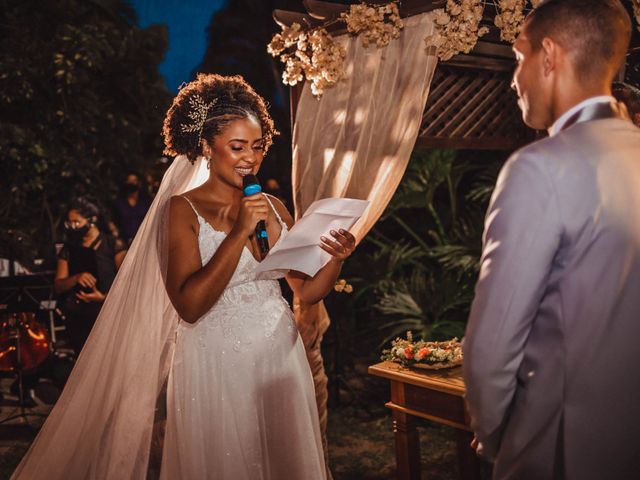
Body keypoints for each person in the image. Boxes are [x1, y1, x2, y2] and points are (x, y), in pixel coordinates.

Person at [12, 74, 354, 479]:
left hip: (280, 361)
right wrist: (240, 231)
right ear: (207, 147)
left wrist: (335, 259)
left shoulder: (274, 207)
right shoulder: (181, 209)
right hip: (216, 362)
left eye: (258, 146)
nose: (251, 158)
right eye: (237, 146)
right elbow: (189, 305)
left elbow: (306, 291)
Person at [462, 1, 640, 479]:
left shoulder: (539, 169)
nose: (513, 79)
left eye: (517, 58)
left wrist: (500, 435)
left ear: (548, 55)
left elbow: (493, 345)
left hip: (558, 448)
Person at [55, 197, 126, 355]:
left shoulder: (113, 245)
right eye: (69, 223)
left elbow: (127, 282)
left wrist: (103, 297)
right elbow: (58, 285)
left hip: (108, 313)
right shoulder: (69, 249)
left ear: (92, 220)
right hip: (78, 316)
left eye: (76, 222)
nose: (72, 227)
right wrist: (76, 278)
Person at [112, 170, 152, 245]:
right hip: (125, 243)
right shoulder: (119, 202)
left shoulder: (146, 201)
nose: (131, 183)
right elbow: (115, 221)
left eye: (134, 181)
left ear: (139, 183)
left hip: (145, 241)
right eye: (129, 181)